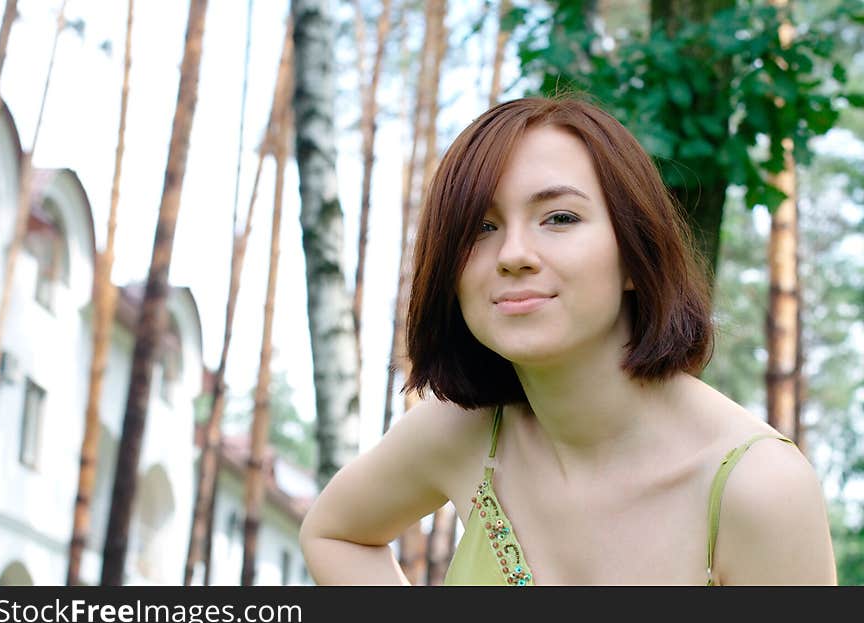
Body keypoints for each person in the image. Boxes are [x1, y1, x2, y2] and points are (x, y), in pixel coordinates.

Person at [299, 95, 837, 585]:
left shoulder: (759, 487)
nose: (513, 253)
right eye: (480, 228)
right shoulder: (462, 432)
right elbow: (333, 533)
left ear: (634, 253)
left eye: (559, 217)